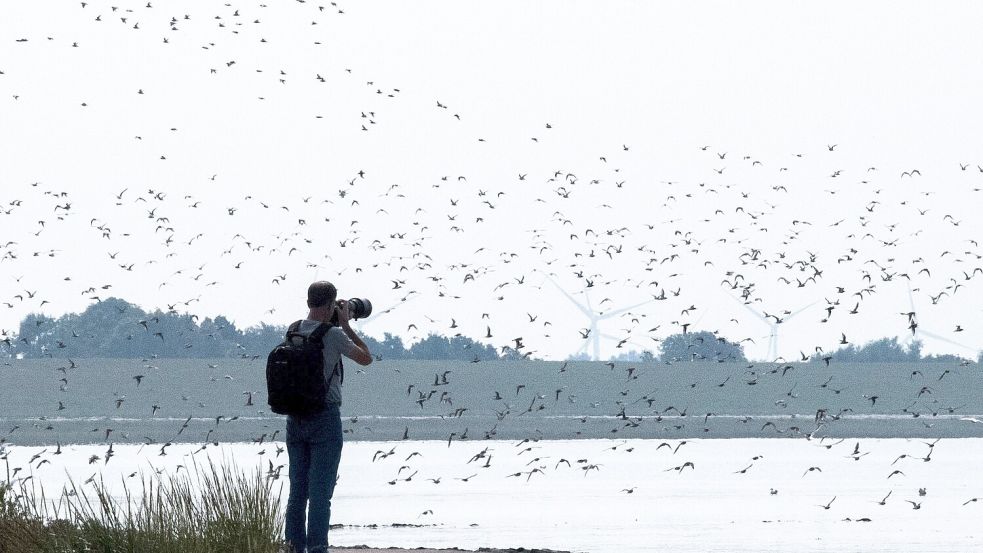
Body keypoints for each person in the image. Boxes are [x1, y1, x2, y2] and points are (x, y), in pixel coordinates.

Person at [285, 281, 372, 553]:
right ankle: (318, 548)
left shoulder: (292, 330)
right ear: (329, 305)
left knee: (297, 492)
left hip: (294, 418)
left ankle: (293, 547)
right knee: (321, 493)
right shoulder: (333, 334)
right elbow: (366, 358)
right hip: (324, 418)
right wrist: (346, 325)